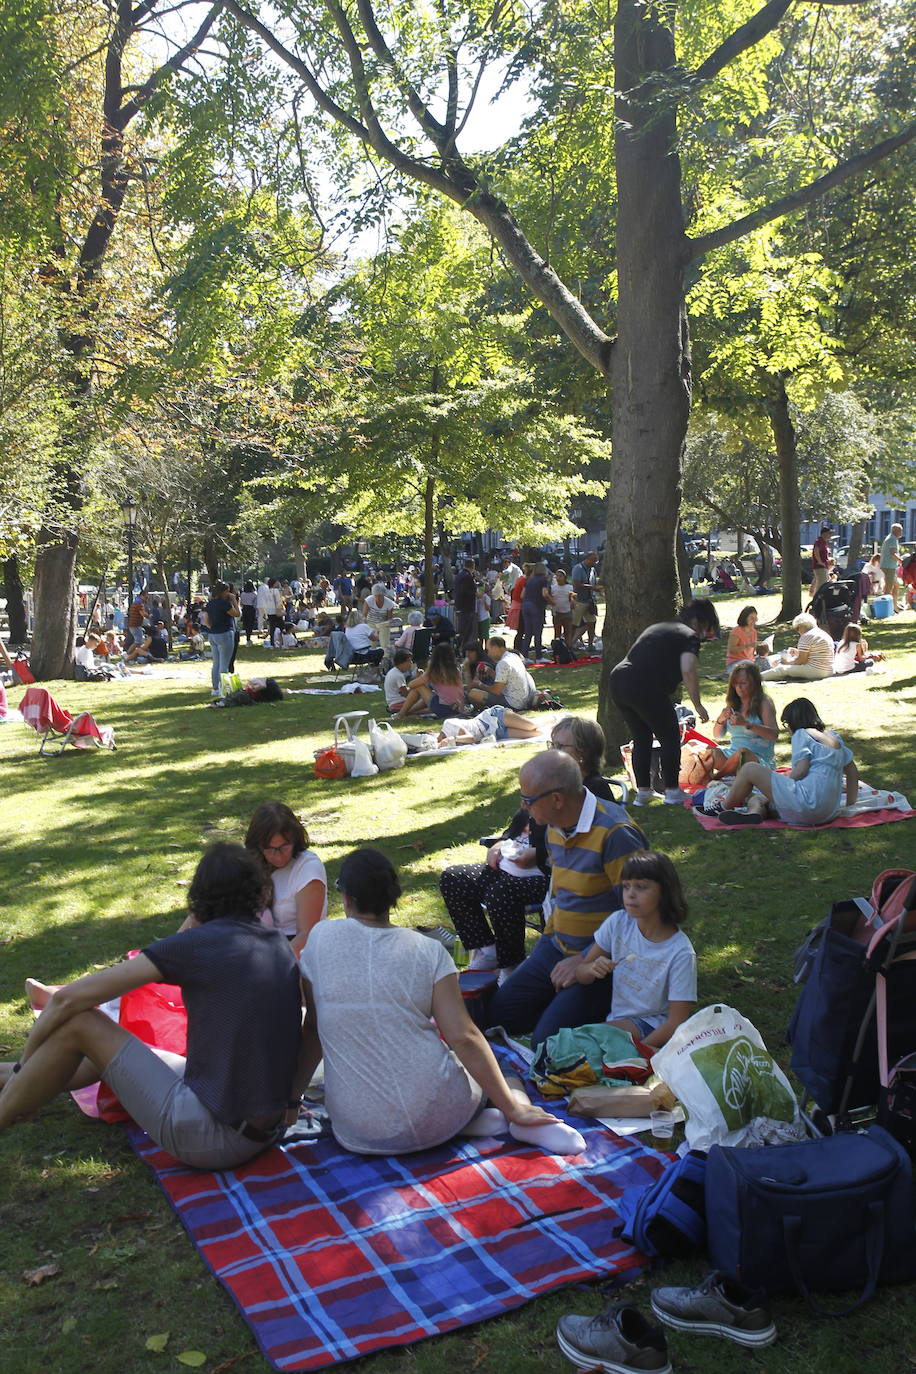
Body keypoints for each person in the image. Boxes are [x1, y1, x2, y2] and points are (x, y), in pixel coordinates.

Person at [0, 844, 303, 1170]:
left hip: (214, 1137)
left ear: (199, 899)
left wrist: (21, 1073)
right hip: (262, 1129)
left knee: (82, 1025)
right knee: (107, 1050)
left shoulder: (200, 944)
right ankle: (13, 1080)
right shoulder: (275, 942)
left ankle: (11, 1096)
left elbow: (67, 1000)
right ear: (260, 893)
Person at [300, 848, 582, 1156]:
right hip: (434, 1112)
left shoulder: (320, 938)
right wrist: (512, 1107)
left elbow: (312, 1028)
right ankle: (519, 1116)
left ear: (346, 897)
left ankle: (487, 1120)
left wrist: (289, 1103)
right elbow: (464, 1036)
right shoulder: (427, 951)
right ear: (394, 896)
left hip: (356, 1130)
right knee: (496, 1058)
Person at [485, 750, 646, 1048]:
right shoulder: (552, 827)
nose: (523, 806)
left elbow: (639, 919)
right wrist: (549, 940)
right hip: (556, 946)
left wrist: (584, 961)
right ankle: (563, 1005)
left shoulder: (616, 834)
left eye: (529, 800)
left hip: (602, 963)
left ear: (557, 799)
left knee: (547, 1041)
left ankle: (596, 1013)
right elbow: (557, 892)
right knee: (499, 1015)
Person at [439, 717, 615, 983]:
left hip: (547, 874)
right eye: (551, 744)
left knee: (502, 893)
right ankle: (487, 951)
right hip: (515, 861)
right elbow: (521, 820)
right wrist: (501, 843)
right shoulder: (547, 780)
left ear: (583, 753)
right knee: (455, 878)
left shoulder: (592, 790)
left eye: (560, 746)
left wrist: (537, 854)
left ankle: (510, 967)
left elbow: (581, 846)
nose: (552, 751)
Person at [574, 851, 696, 1050]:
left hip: (653, 1027)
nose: (630, 894)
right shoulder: (619, 922)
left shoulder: (680, 952)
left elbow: (676, 1022)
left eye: (641, 887)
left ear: (664, 892)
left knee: (583, 1044)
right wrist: (592, 969)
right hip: (619, 1020)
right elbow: (581, 974)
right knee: (574, 1046)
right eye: (626, 886)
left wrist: (637, 1054)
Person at [608, 598, 720, 806]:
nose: (704, 634)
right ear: (697, 621)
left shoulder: (660, 627)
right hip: (645, 685)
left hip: (619, 680)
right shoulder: (689, 636)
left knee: (641, 736)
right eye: (705, 627)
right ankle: (672, 791)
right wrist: (698, 704)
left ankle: (643, 793)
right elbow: (688, 669)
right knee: (669, 734)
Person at [719, 697, 859, 827]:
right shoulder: (835, 738)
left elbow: (801, 770)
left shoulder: (802, 734)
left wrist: (781, 781)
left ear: (792, 722)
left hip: (807, 803)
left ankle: (722, 807)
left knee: (749, 769)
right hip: (827, 813)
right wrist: (849, 805)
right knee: (759, 799)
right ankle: (754, 814)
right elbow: (852, 771)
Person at [245, 801, 327, 956]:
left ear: (295, 840)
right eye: (270, 849)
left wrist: (271, 963)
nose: (278, 855)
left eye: (284, 847)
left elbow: (307, 934)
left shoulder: (307, 867)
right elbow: (207, 906)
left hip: (294, 950)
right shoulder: (245, 861)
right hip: (253, 944)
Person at [710, 663, 778, 775]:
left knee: (742, 754)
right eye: (736, 683)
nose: (739, 687)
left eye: (743, 683)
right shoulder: (734, 704)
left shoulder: (763, 702)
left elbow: (773, 734)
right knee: (702, 749)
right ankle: (728, 775)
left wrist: (746, 724)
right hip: (731, 755)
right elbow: (717, 735)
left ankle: (718, 777)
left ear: (754, 684)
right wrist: (721, 719)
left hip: (757, 760)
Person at [397, 642, 466, 718]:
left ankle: (401, 713)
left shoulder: (434, 670)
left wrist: (419, 676)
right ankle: (406, 712)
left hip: (444, 708)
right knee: (431, 694)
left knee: (418, 687)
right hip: (458, 708)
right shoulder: (456, 670)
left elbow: (411, 684)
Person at [468, 636, 537, 712]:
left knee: (473, 694)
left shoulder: (503, 663)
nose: (488, 654)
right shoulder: (513, 656)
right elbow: (505, 680)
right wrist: (491, 672)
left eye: (488, 650)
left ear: (495, 648)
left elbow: (496, 690)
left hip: (514, 704)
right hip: (524, 700)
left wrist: (479, 684)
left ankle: (484, 714)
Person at [760, 611, 833, 682]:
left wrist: (787, 662)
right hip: (829, 669)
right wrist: (798, 653)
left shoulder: (807, 636)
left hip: (816, 670)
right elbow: (816, 654)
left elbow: (802, 660)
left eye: (797, 628)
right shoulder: (822, 633)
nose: (798, 631)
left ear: (802, 626)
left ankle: (756, 678)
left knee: (781, 669)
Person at [202, 580, 240, 698]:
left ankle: (215, 688)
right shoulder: (225, 603)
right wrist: (234, 600)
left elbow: (206, 621)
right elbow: (237, 614)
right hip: (225, 633)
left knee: (216, 663)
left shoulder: (210, 604)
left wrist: (213, 628)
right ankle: (223, 689)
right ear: (224, 592)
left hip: (213, 634)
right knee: (224, 663)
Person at [518, 560, 554, 662]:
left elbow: (522, 595)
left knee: (528, 632)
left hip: (525, 606)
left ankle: (525, 656)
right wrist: (553, 602)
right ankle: (539, 656)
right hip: (536, 606)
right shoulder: (543, 580)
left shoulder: (529, 581)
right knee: (538, 632)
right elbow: (545, 594)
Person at [570, 552, 601, 650]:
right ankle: (570, 643)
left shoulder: (592, 570)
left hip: (590, 600)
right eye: (593, 560)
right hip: (579, 600)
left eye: (596, 560)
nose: (595, 562)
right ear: (587, 559)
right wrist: (593, 587)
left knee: (592, 622)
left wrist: (597, 591)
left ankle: (590, 645)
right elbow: (576, 584)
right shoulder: (578, 568)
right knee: (574, 624)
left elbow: (594, 582)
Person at [725, 605, 771, 671]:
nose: (754, 620)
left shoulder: (753, 631)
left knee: (764, 661)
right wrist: (748, 645)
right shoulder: (737, 631)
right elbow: (732, 649)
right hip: (735, 664)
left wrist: (761, 647)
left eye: (755, 618)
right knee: (747, 663)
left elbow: (753, 652)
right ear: (745, 618)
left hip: (750, 661)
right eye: (752, 618)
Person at [453, 558, 479, 652]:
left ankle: (461, 649)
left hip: (461, 605)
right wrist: (475, 593)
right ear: (473, 566)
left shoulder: (460, 575)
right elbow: (464, 591)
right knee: (466, 631)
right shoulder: (467, 576)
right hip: (467, 607)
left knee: (463, 630)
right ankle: (462, 650)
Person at [880, 521, 904, 611]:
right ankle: (886, 608)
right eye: (900, 530)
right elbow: (893, 553)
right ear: (895, 531)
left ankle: (894, 605)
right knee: (888, 588)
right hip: (888, 567)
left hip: (890, 566)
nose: (901, 532)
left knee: (896, 585)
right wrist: (901, 561)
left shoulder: (892, 538)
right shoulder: (892, 539)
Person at [384, 648, 418, 713]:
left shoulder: (393, 671)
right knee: (422, 704)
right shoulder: (398, 675)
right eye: (408, 661)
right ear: (401, 663)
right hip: (397, 703)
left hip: (392, 703)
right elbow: (406, 694)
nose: (411, 663)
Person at [550, 569, 575, 645]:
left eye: (560, 576)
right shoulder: (552, 588)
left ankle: (568, 648)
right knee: (557, 633)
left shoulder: (569, 587)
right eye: (556, 576)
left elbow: (572, 600)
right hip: (557, 613)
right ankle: (557, 649)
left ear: (565, 577)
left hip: (567, 612)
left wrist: (573, 602)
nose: (558, 578)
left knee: (568, 632)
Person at [810, 525, 833, 596]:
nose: (830, 535)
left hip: (824, 566)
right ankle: (817, 601)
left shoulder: (824, 542)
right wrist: (820, 561)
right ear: (824, 533)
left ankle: (820, 600)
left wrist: (828, 561)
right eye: (829, 533)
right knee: (821, 585)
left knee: (823, 583)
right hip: (819, 567)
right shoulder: (819, 541)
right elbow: (816, 551)